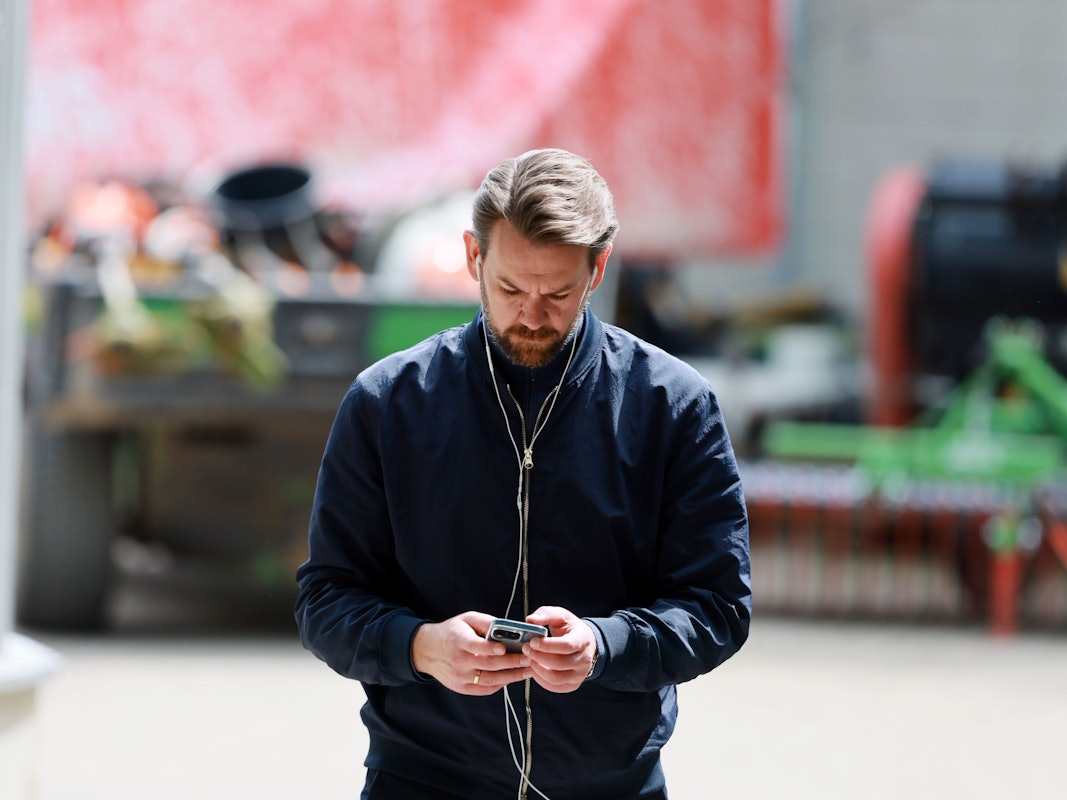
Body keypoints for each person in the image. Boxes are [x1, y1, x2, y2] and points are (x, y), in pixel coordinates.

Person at [295, 148, 751, 800]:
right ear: (473, 256)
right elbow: (326, 601)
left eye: (557, 293)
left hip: (610, 785)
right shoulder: (387, 402)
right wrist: (419, 646)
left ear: (597, 268)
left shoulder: (672, 405)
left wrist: (604, 644)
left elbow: (716, 606)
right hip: (421, 780)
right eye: (510, 289)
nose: (531, 316)